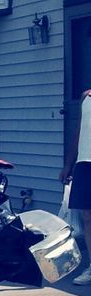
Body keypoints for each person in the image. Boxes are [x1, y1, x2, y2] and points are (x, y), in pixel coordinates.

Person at [60, 86, 91, 285]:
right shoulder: (86, 97)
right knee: (88, 216)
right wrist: (68, 164)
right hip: (85, 162)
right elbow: (79, 132)